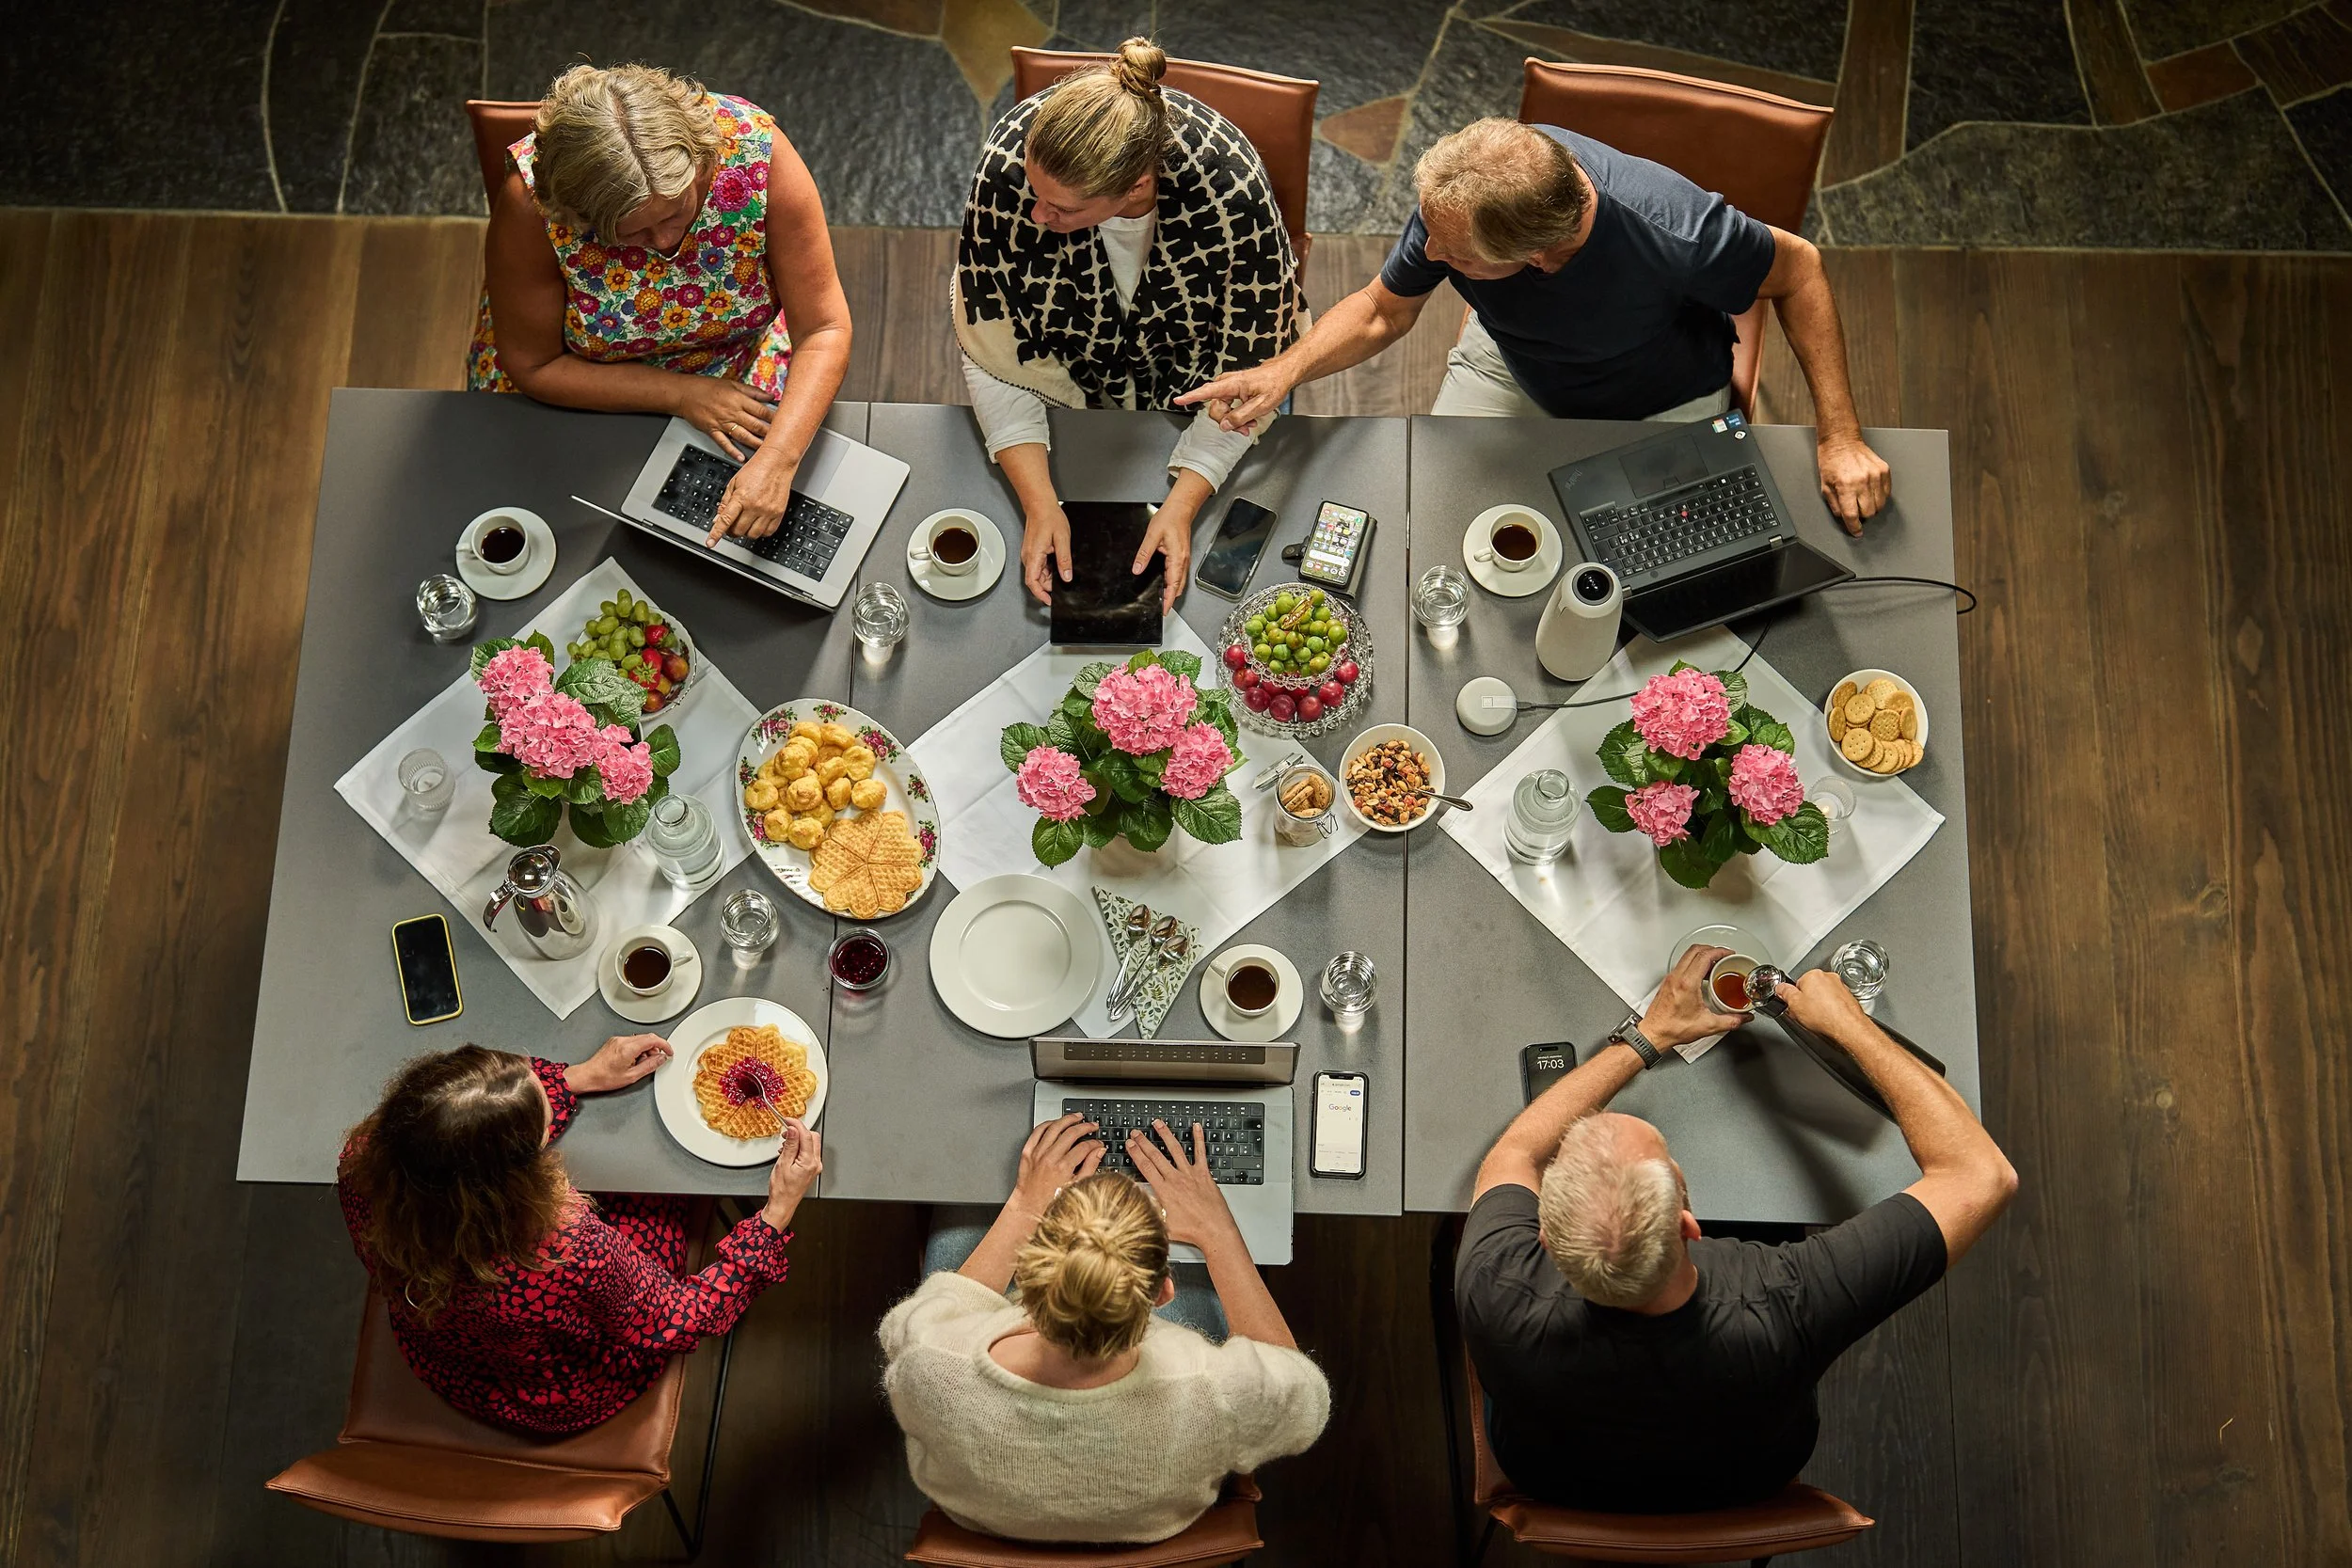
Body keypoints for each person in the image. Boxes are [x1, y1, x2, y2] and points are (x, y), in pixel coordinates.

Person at [1456, 945, 2016, 1513]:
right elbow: (1983, 1176)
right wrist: (1852, 1026)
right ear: (1688, 1220)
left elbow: (1519, 1151)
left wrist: (1647, 1035)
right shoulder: (1788, 1301)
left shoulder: (1496, 1284)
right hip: (1745, 1482)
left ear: (1546, 1240)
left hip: (1555, 1479)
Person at [1184, 118, 1893, 532]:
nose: (1429, 255)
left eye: (1454, 257)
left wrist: (1841, 435)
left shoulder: (1676, 231)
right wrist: (1283, 372)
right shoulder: (1463, 197)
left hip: (1660, 398)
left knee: (1648, 564)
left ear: (1538, 257)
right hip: (1510, 365)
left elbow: (1800, 270)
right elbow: (1382, 308)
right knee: (1434, 521)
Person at [955, 39, 1307, 610]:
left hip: (1209, 393)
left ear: (1137, 187)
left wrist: (1184, 502)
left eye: (1062, 210)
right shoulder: (1007, 173)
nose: (1037, 217)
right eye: (1037, 195)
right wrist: (1040, 502)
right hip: (1064, 385)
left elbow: (1252, 376)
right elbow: (994, 350)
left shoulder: (1232, 195)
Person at [880, 1114, 1328, 1543]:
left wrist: (1022, 1205)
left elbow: (930, 1312)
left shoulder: (934, 1361)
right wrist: (1218, 1232)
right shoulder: (1214, 1388)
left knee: (960, 1214)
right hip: (1152, 1524)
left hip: (981, 1517)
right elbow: (1304, 1392)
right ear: (1162, 1295)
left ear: (1026, 1280)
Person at [337, 1037, 821, 1433]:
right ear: (516, 1177)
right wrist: (777, 1209)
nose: (552, 1096)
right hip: (559, 1388)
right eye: (544, 1120)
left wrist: (580, 1077)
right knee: (664, 1197)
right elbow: (683, 1319)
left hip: (448, 1351)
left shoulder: (364, 1156)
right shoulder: (563, 1247)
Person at [466, 63, 852, 543]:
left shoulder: (758, 155)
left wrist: (778, 460)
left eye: (677, 212)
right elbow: (536, 365)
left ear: (704, 163)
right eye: (632, 233)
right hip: (578, 386)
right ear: (577, 215)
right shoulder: (533, 209)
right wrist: (682, 393)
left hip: (736, 370)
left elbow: (824, 329)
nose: (668, 241)